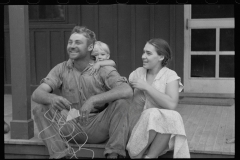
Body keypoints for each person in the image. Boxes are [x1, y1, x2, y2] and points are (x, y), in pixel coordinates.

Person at [31, 26, 133, 159]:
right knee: (40, 107)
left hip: (99, 126)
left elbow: (127, 90)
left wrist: (94, 99)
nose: (72, 46)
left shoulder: (103, 69)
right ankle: (60, 155)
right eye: (70, 42)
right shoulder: (61, 68)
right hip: (70, 124)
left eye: (78, 43)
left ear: (90, 47)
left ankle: (113, 154)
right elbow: (36, 94)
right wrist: (52, 98)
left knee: (122, 102)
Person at [126, 38, 190, 158]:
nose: (143, 56)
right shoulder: (137, 74)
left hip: (159, 135)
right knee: (156, 114)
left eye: (149, 53)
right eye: (144, 52)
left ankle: (150, 157)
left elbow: (171, 104)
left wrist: (147, 87)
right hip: (136, 128)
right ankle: (137, 154)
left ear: (161, 57)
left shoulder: (170, 76)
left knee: (169, 115)